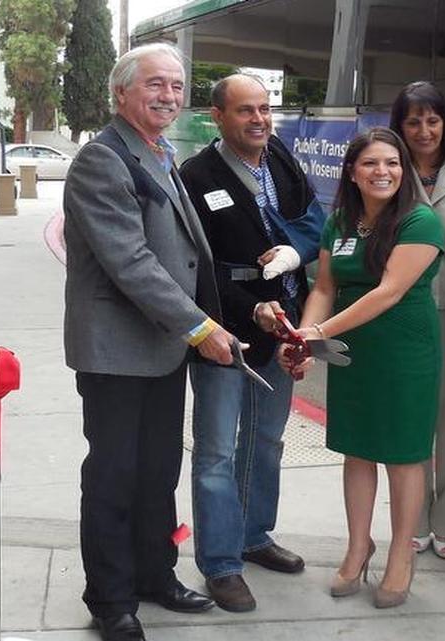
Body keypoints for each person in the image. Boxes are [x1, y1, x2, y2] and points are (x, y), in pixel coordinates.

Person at [63, 43, 238, 641]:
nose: (169, 95)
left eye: (175, 85)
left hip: (160, 349)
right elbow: (131, 262)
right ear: (121, 94)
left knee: (158, 470)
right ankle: (111, 598)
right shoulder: (101, 160)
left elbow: (185, 251)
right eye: (155, 85)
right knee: (113, 474)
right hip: (115, 351)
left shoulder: (160, 152)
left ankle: (154, 574)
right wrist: (199, 326)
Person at [278, 127, 444, 609]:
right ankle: (358, 546)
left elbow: (388, 291)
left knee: (403, 453)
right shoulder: (341, 222)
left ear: (404, 170)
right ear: (353, 172)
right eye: (371, 163)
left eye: (392, 163)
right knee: (357, 449)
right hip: (351, 350)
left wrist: (317, 335)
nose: (383, 172)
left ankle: (400, 556)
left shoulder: (420, 221)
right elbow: (324, 288)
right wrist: (301, 338)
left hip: (405, 351)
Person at [178, 74, 323, 612]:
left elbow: (314, 224)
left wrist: (293, 257)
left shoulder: (281, 159)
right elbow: (194, 266)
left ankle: (255, 535)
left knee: (266, 441)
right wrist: (245, 312)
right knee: (216, 451)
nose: (259, 120)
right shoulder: (195, 176)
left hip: (282, 327)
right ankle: (219, 562)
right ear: (218, 116)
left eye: (264, 109)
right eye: (245, 111)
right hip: (223, 330)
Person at [388, 82, 445, 560]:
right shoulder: (387, 173)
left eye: (432, 120)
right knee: (408, 416)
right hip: (400, 306)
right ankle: (413, 518)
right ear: (399, 127)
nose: (424, 131)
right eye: (412, 121)